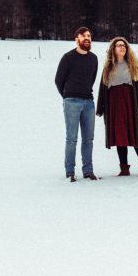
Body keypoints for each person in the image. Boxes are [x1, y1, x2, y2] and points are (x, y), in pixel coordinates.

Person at [96, 36, 138, 177]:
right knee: (120, 135)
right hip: (114, 105)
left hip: (131, 104)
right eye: (119, 45)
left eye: (124, 45)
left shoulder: (134, 65)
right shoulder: (108, 68)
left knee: (136, 134)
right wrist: (100, 107)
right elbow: (102, 88)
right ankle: (124, 169)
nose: (122, 47)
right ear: (113, 49)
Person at [55, 26, 99, 182]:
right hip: (71, 102)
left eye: (89, 35)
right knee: (71, 139)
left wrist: (84, 94)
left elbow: (92, 79)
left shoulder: (93, 58)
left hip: (89, 102)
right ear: (76, 40)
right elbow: (58, 80)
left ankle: (88, 171)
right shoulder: (68, 58)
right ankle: (70, 172)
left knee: (88, 139)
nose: (87, 38)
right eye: (83, 36)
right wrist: (67, 96)